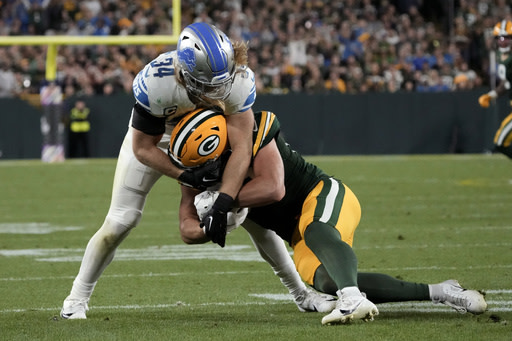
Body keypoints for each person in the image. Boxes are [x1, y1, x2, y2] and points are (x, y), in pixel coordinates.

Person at [176, 109, 488, 325]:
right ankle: (441, 291)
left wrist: (225, 202)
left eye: (210, 161)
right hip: (296, 233)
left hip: (323, 194)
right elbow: (186, 228)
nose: (207, 173)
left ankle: (352, 298)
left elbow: (273, 188)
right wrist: (210, 227)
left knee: (316, 228)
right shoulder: (196, 172)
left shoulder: (256, 129)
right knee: (326, 281)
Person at [60, 22, 258, 319]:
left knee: (252, 210)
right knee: (120, 221)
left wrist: (225, 200)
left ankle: (299, 291)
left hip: (206, 139)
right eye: (208, 84)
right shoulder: (158, 81)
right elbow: (142, 148)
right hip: (158, 141)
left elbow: (242, 147)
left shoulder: (237, 78)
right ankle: (75, 300)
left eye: (222, 80)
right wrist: (183, 174)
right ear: (187, 75)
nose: (217, 91)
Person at [478, 20, 512, 159]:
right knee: (500, 142)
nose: (503, 42)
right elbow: (506, 83)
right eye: (500, 38)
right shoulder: (500, 56)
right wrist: (492, 95)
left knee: (500, 142)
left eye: (507, 38)